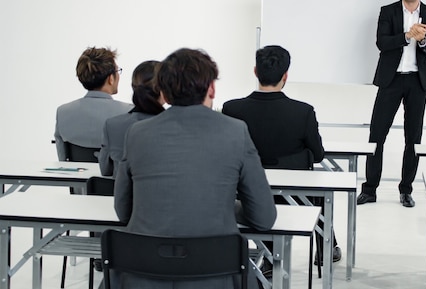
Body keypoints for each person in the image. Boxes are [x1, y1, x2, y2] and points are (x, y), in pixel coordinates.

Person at [115, 48, 276, 289]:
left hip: (143, 275)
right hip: (216, 277)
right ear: (211, 88)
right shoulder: (236, 132)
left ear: (165, 95)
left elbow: (123, 211)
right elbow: (264, 217)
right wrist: (218, 205)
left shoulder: (136, 134)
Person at [222, 45, 341, 264]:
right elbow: (317, 155)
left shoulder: (231, 109)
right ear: (286, 75)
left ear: (255, 71)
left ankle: (267, 258)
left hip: (244, 194)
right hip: (294, 196)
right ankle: (326, 248)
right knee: (319, 192)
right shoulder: (303, 112)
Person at [357, 0, 426, 208]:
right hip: (391, 79)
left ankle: (406, 190)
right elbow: (381, 43)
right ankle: (369, 189)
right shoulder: (388, 11)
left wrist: (423, 40)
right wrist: (406, 35)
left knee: (412, 139)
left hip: (417, 81)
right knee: (377, 135)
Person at [54, 46, 132, 161]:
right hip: (114, 178)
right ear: (111, 78)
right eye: (117, 71)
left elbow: (63, 161)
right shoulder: (129, 113)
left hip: (78, 178)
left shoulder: (62, 112)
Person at [99, 60, 165, 178]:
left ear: (134, 87)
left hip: (121, 194)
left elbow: (105, 170)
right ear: (164, 91)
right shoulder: (176, 127)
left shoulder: (112, 125)